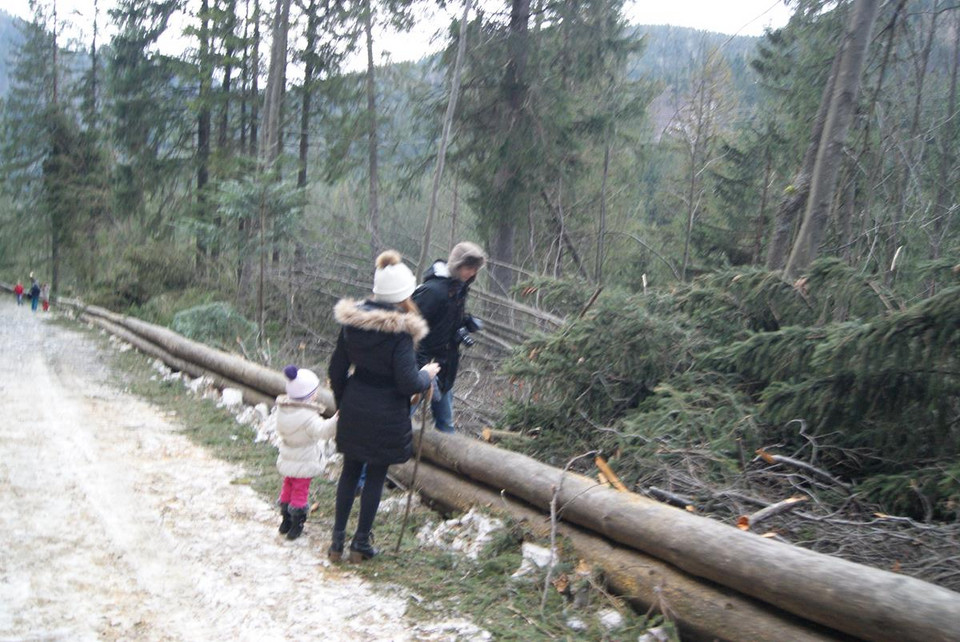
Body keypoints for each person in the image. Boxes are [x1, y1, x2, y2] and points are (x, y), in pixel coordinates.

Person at [327, 250, 441, 562]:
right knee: (375, 475)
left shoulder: (352, 322)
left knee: (350, 471)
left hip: (355, 403)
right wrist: (426, 375)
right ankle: (360, 544)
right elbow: (407, 382)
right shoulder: (400, 333)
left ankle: (337, 542)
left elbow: (336, 370)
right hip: (387, 411)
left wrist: (344, 402)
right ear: (404, 295)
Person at [412, 241, 487, 433]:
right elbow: (410, 331)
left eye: (475, 269)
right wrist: (422, 369)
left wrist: (465, 324)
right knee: (400, 417)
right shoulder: (433, 291)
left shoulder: (459, 289)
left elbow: (444, 322)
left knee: (446, 425)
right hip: (423, 367)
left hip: (445, 368)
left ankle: (451, 461)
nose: (472, 273)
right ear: (457, 265)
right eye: (468, 267)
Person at [276, 365, 338, 541]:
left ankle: (285, 521)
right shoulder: (308, 416)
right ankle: (296, 525)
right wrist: (335, 420)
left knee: (288, 484)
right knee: (300, 491)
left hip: (288, 456)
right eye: (314, 392)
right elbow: (323, 431)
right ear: (307, 395)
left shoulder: (283, 410)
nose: (316, 395)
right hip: (304, 458)